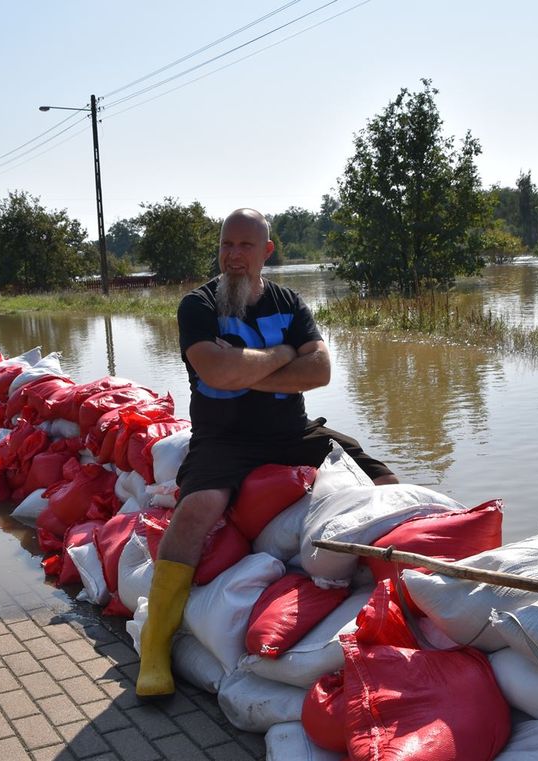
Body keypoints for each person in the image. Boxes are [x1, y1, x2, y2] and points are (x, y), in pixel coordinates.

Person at [136, 208, 400, 698]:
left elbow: (319, 371)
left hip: (291, 432)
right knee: (197, 509)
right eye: (226, 245)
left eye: (245, 246)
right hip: (223, 440)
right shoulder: (197, 305)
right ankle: (155, 643)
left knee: (383, 482)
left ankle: (401, 600)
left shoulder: (288, 301)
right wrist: (283, 355)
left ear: (266, 252)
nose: (234, 256)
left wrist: (246, 368)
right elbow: (216, 372)